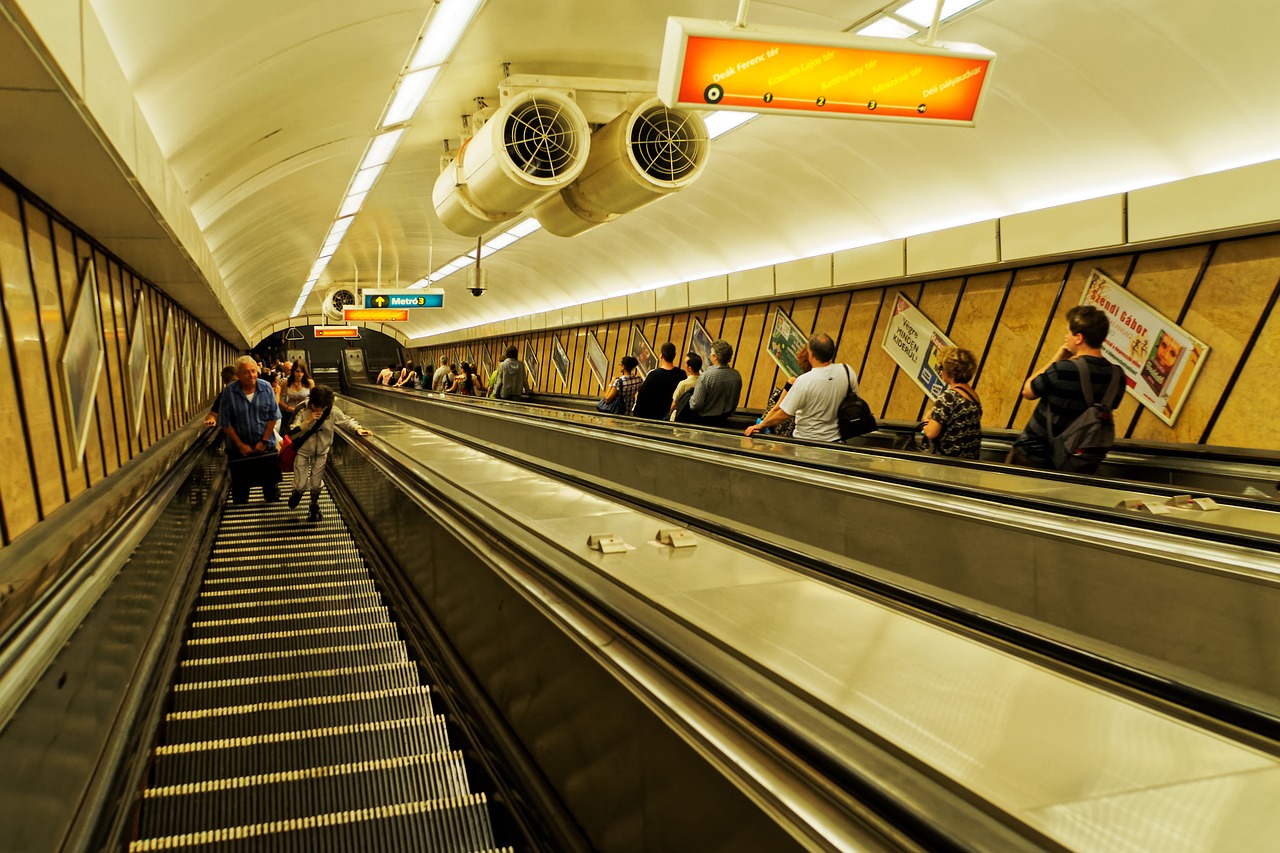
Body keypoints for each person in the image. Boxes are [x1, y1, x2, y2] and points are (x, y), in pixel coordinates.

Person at [1008, 305, 1121, 470]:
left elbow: (1028, 391)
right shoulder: (1117, 376)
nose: (1065, 336)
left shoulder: (1063, 369)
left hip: (1035, 457)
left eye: (1068, 332)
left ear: (1079, 338)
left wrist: (1057, 358)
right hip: (1077, 463)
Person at [745, 333, 851, 442]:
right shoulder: (846, 372)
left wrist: (761, 425)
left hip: (805, 440)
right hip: (836, 440)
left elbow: (782, 411)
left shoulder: (800, 381)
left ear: (810, 355)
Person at [286, 384, 371, 522]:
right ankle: (297, 492)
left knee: (315, 483)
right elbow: (290, 432)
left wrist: (357, 429)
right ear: (311, 401)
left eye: (323, 407)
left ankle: (313, 507)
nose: (319, 410)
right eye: (316, 406)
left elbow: (346, 420)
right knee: (301, 484)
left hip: (321, 451)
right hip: (303, 451)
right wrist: (308, 421)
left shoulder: (331, 410)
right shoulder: (301, 409)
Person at [217, 355, 282, 503]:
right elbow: (225, 422)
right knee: (240, 493)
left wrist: (264, 441)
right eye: (246, 372)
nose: (251, 375)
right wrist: (240, 445)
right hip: (239, 451)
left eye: (253, 371)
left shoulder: (265, 387)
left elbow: (273, 416)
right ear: (238, 375)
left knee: (271, 492)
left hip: (265, 448)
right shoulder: (229, 392)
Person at [918, 347, 983, 458]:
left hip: (947, 463)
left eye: (941, 368)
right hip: (969, 461)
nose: (941, 371)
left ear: (950, 372)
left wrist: (926, 420)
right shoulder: (973, 396)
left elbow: (930, 433)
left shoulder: (948, 397)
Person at [757, 346, 812, 437]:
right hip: (805, 429)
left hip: (786, 427)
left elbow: (778, 407)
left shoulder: (794, 381)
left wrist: (761, 425)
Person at [687, 339, 743, 426]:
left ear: (715, 357)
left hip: (704, 422)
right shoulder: (736, 376)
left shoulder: (706, 376)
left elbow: (696, 405)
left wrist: (689, 398)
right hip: (726, 421)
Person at [632, 342, 686, 419]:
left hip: (651, 419)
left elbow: (642, 398)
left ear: (661, 355)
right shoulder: (681, 374)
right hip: (672, 419)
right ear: (674, 355)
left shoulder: (653, 375)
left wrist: (636, 414)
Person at [277, 360, 313, 430]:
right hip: (289, 413)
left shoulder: (309, 383)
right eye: (297, 371)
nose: (299, 374)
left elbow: (314, 397)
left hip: (304, 412)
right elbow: (277, 398)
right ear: (293, 371)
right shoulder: (286, 382)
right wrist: (287, 407)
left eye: (302, 372)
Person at [669, 353, 702, 421]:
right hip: (696, 418)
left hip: (681, 417)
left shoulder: (683, 384)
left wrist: (669, 414)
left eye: (685, 364)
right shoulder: (703, 382)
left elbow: (674, 403)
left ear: (690, 368)